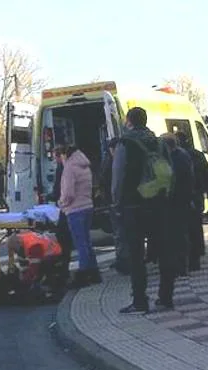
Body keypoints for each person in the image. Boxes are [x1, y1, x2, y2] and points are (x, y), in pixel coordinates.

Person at [112, 107, 176, 313]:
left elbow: (118, 176)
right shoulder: (159, 142)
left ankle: (140, 300)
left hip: (133, 204)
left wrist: (116, 202)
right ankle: (166, 297)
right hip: (160, 203)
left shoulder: (125, 143)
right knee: (165, 250)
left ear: (129, 121)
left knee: (136, 254)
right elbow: (170, 170)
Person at [58, 145, 102, 288]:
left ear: (65, 155)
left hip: (74, 209)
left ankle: (83, 274)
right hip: (87, 206)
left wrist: (61, 203)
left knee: (80, 243)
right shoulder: (84, 166)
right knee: (86, 241)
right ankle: (94, 272)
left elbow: (68, 193)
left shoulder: (69, 168)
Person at [175, 131, 208, 272]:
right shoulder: (196, 154)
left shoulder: (177, 156)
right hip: (196, 194)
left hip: (185, 196)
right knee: (196, 226)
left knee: (185, 229)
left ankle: (187, 259)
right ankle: (197, 254)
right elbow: (206, 173)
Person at [161, 133, 194, 277]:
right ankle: (181, 265)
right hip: (183, 199)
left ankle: (179, 266)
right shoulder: (183, 155)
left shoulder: (174, 159)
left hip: (175, 200)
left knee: (175, 235)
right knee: (180, 234)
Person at [100, 138, 128, 275]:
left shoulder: (111, 162)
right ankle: (122, 259)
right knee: (120, 233)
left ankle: (123, 260)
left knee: (120, 233)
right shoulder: (113, 161)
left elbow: (109, 182)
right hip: (115, 201)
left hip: (115, 202)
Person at [7, 230, 64, 297]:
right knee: (34, 271)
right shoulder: (23, 240)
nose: (15, 251)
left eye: (14, 249)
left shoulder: (33, 245)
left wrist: (25, 283)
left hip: (54, 256)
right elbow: (24, 265)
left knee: (40, 270)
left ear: (17, 243)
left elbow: (34, 268)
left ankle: (52, 288)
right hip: (47, 254)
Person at [46, 147, 73, 283]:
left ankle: (63, 270)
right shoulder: (73, 166)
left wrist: (51, 197)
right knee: (69, 238)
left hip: (67, 207)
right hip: (74, 207)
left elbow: (60, 190)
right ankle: (64, 268)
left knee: (63, 237)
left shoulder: (63, 168)